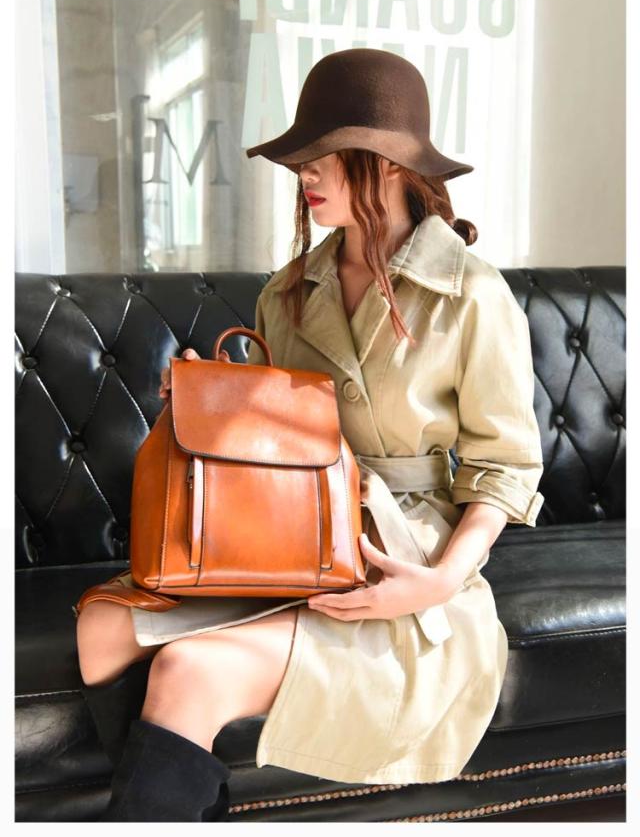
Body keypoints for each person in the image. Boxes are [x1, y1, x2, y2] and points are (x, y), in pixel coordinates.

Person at [75, 47, 545, 821]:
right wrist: (208, 396)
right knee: (98, 628)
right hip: (291, 539)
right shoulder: (289, 290)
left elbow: (505, 466)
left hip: (401, 557)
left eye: (326, 155)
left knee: (189, 671)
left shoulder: (471, 293)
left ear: (389, 165)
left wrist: (439, 581)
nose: (306, 173)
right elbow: (275, 441)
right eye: (303, 157)